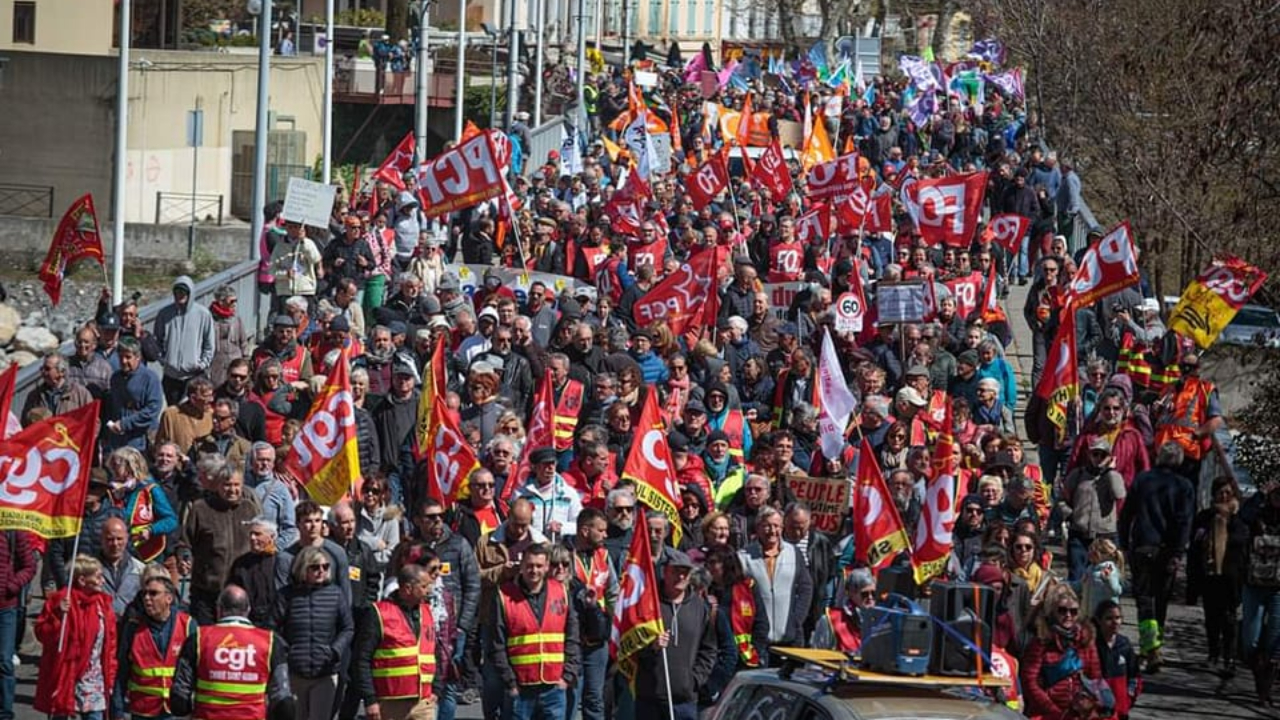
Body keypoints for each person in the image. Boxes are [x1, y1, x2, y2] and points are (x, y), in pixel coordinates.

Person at [1119, 441, 1195, 670]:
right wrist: (1178, 551)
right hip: (1167, 549)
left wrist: (1124, 542)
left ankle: (1149, 647)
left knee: (1144, 600)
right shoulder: (1184, 486)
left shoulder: (1143, 479)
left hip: (1142, 545)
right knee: (1161, 600)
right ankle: (1154, 646)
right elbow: (1184, 522)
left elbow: (1126, 513)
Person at [168, 585, 293, 720]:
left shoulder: (198, 639)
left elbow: (179, 698)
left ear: (219, 609)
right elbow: (283, 700)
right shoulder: (270, 642)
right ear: (248, 610)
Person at [488, 543, 580, 720]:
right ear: (521, 566)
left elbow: (572, 637)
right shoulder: (503, 596)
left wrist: (567, 677)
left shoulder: (561, 592)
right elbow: (495, 644)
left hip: (554, 686)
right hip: (521, 688)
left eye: (539, 566)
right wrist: (510, 683)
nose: (534, 570)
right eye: (529, 565)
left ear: (546, 567)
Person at [633, 550, 718, 720]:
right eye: (675, 571)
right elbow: (630, 646)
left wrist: (694, 680)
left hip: (684, 701)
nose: (680, 577)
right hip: (650, 698)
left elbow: (709, 649)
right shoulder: (649, 605)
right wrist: (652, 647)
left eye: (685, 572)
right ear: (665, 571)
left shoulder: (700, 608)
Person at [33, 555, 118, 720]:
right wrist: (57, 616)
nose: (103, 581)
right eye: (98, 577)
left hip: (95, 680)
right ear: (82, 580)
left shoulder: (103, 604)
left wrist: (111, 675)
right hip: (66, 677)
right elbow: (42, 633)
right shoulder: (61, 600)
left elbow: (111, 644)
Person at [277, 546, 354, 720]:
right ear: (303, 568)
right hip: (295, 671)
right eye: (315, 567)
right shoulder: (286, 595)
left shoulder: (336, 594)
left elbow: (347, 628)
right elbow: (271, 627)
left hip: (325, 671)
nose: (321, 571)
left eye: (325, 567)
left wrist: (335, 650)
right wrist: (287, 651)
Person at [182, 466, 262, 625]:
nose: (232, 490)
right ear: (217, 485)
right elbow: (185, 542)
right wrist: (184, 557)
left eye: (236, 485)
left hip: (240, 592)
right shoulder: (200, 508)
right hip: (206, 591)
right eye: (227, 485)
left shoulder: (250, 509)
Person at [113, 574, 196, 720]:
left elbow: (198, 668)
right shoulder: (133, 627)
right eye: (144, 593)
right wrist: (118, 710)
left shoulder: (188, 625)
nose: (146, 598)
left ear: (169, 598)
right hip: (143, 709)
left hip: (175, 710)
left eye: (153, 593)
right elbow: (122, 670)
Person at [1188, 476, 1248, 672]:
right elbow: (1194, 546)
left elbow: (1242, 541)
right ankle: (1213, 653)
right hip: (1209, 573)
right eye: (1220, 492)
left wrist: (1226, 531)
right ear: (1214, 494)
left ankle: (1229, 658)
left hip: (1231, 575)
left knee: (1229, 617)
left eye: (1228, 493)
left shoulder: (1238, 519)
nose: (1224, 496)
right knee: (1211, 617)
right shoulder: (1204, 517)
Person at [737, 507, 813, 661]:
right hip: (758, 640)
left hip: (790, 638)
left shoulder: (794, 553)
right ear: (758, 528)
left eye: (776, 526)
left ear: (782, 528)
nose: (772, 531)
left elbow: (806, 588)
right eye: (767, 525)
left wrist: (797, 619)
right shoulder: (743, 557)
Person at [1020, 584, 1104, 720]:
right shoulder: (1041, 641)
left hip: (1079, 713)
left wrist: (1089, 706)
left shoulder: (1086, 640)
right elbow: (1029, 681)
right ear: (1053, 611)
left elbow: (1095, 678)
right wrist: (1053, 711)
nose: (1068, 615)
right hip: (1047, 713)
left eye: (1073, 611)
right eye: (1062, 610)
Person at [563, 509, 616, 720]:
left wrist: (615, 625)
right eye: (601, 530)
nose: (605, 535)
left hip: (597, 636)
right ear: (585, 531)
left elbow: (613, 593)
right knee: (571, 696)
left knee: (595, 699)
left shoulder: (603, 555)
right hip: (571, 637)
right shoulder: (563, 555)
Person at [1058, 437, 1126, 582]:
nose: (1099, 458)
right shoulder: (1078, 475)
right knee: (1076, 576)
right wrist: (1071, 515)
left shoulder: (1113, 476)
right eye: (1095, 454)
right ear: (1089, 455)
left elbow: (1119, 494)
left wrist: (1110, 472)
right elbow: (1062, 499)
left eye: (1103, 455)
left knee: (1105, 579)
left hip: (1105, 536)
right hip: (1079, 536)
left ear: (1110, 457)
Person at [104, 446, 180, 563]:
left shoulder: (150, 489)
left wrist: (151, 530)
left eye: (117, 465)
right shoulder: (109, 491)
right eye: (112, 464)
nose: (113, 469)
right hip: (117, 551)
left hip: (147, 552)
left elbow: (171, 520)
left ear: (130, 466)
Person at [154, 275, 217, 404]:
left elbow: (209, 344)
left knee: (191, 413)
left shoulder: (203, 314)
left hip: (193, 376)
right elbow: (157, 340)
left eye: (183, 291)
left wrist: (202, 364)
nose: (180, 295)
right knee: (174, 413)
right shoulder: (164, 314)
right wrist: (163, 359)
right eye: (177, 291)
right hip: (171, 377)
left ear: (190, 293)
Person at [228, 517, 293, 630]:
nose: (252, 538)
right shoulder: (241, 564)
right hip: (248, 623)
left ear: (271, 537)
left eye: (258, 534)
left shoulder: (283, 561)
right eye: (251, 534)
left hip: (278, 623)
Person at [105, 336, 164, 452]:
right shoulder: (115, 378)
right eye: (120, 357)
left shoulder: (150, 378)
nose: (123, 361)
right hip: (118, 441)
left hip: (142, 441)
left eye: (128, 357)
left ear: (138, 358)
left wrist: (125, 423)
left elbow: (153, 410)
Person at [0, 530, 33, 720]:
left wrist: (12, 585)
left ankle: (5, 713)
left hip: (5, 607)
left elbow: (29, 566)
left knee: (4, 661)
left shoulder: (13, 530)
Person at [1094, 599, 1142, 720]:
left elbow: (1134, 675)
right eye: (1109, 618)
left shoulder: (1124, 644)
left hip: (1121, 710)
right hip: (1098, 710)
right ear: (1099, 621)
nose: (1115, 622)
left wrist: (1129, 697)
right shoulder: (1092, 646)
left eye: (1118, 618)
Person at [810, 568, 876, 653]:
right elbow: (816, 657)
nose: (870, 598)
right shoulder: (830, 620)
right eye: (865, 594)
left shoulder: (883, 620)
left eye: (874, 593)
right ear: (851, 594)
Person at [21, 354, 94, 423]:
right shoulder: (35, 395)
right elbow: (25, 422)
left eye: (47, 369)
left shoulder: (80, 393)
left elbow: (93, 421)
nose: (43, 372)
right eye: (42, 368)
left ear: (61, 372)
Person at [97, 516, 146, 616]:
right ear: (101, 539)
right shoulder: (89, 570)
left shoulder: (140, 570)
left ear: (127, 538)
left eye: (119, 539)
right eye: (110, 539)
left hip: (130, 626)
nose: (115, 544)